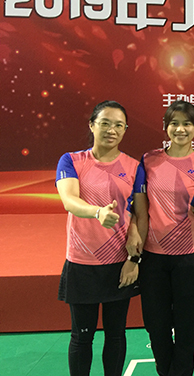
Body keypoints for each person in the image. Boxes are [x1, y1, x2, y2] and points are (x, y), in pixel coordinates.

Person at [55, 100, 142, 376]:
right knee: (82, 336)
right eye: (105, 123)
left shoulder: (134, 166)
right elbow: (69, 200)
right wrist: (97, 212)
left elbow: (140, 215)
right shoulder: (72, 161)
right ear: (92, 125)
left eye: (118, 125)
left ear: (125, 130)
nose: (111, 130)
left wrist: (133, 260)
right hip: (82, 263)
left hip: (119, 264)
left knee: (116, 334)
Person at [133, 100, 194, 376]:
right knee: (156, 325)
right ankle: (164, 370)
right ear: (166, 127)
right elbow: (140, 207)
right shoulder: (149, 160)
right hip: (153, 256)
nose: (180, 129)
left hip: (189, 257)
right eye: (174, 124)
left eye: (187, 124)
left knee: (185, 325)